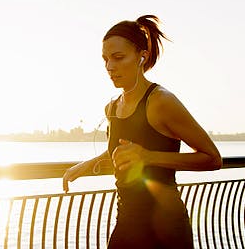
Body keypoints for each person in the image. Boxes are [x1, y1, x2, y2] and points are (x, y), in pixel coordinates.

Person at [63, 15, 222, 249]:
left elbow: (213, 158)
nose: (110, 67)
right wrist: (87, 165)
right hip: (126, 222)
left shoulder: (160, 101)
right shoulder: (112, 107)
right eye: (105, 59)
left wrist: (148, 156)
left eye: (118, 58)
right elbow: (124, 151)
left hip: (167, 228)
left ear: (142, 57)